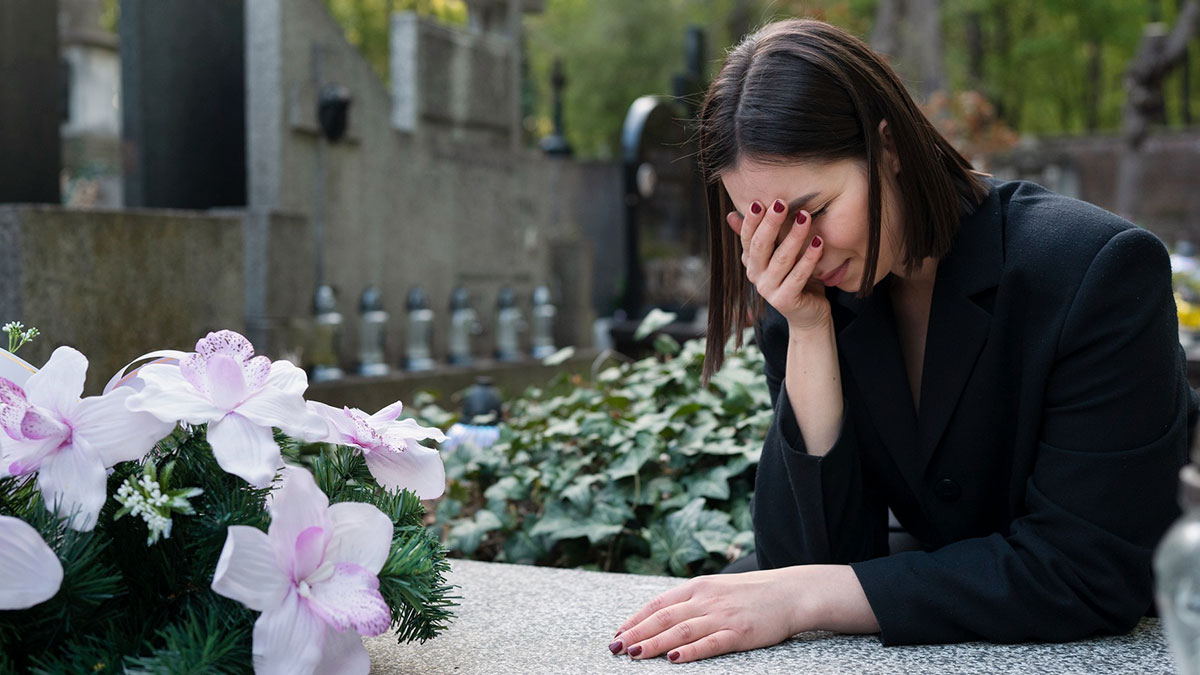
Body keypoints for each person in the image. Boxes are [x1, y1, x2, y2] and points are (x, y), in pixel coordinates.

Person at [609, 18, 1198, 664]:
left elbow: (1087, 572)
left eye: (815, 209)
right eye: (768, 227)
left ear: (887, 148)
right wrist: (808, 332)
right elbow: (802, 556)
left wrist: (808, 597)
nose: (798, 248)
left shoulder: (1094, 269)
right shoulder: (807, 291)